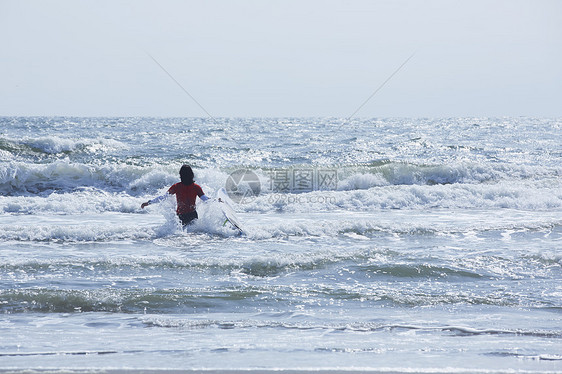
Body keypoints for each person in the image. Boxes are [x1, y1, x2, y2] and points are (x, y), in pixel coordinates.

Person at [141, 165, 209, 226]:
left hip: (181, 216)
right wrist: (215, 200)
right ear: (192, 175)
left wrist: (149, 202)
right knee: (193, 236)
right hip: (193, 215)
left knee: (180, 237)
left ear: (181, 175)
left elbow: (164, 197)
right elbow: (205, 199)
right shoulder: (196, 187)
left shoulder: (177, 186)